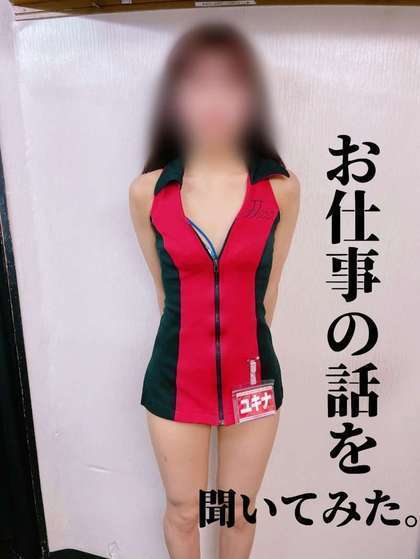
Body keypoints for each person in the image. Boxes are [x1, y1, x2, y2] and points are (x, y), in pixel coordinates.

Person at [129, 22, 300, 559]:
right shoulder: (148, 193)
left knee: (237, 513)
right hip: (175, 380)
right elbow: (165, 296)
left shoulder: (280, 190)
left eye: (231, 83)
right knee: (184, 513)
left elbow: (268, 295)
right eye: (198, 83)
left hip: (254, 378)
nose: (214, 99)